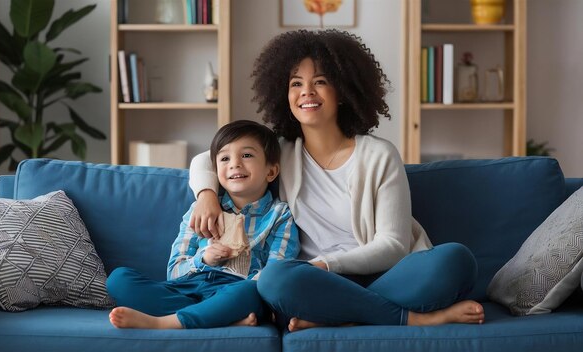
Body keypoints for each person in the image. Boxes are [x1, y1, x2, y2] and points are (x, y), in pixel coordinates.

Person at [188, 29, 485, 331]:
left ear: (342, 91)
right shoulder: (281, 153)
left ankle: (337, 314)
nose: (307, 91)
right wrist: (207, 196)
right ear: (284, 94)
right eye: (296, 83)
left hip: (383, 274)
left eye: (320, 81)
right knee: (274, 279)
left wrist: (327, 264)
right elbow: (206, 159)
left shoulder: (379, 154)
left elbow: (393, 245)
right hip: (311, 281)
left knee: (456, 260)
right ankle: (412, 318)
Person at [106, 120, 300, 329]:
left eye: (246, 155)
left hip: (237, 288)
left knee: (249, 293)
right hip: (189, 287)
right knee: (119, 279)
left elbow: (275, 274)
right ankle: (219, 317)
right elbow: (174, 272)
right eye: (225, 158)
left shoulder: (279, 215)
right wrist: (205, 259)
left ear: (271, 172)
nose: (234, 163)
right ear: (216, 171)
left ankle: (168, 322)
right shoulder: (200, 210)